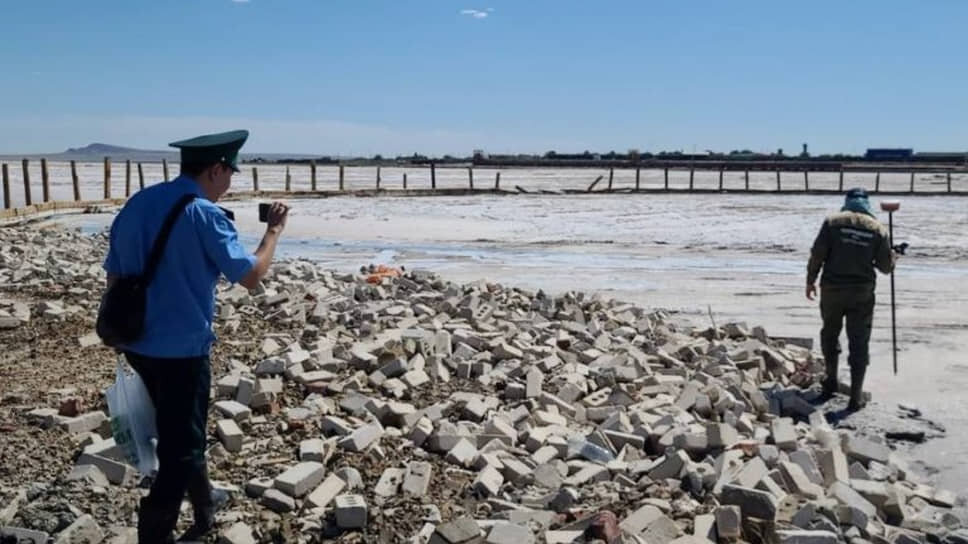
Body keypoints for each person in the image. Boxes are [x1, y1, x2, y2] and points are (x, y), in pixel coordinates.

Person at [102, 129, 290, 543]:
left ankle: (205, 504)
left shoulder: (138, 203)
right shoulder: (204, 214)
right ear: (216, 168)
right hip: (181, 349)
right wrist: (274, 231)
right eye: (229, 174)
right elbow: (250, 275)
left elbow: (114, 274)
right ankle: (155, 532)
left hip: (134, 339)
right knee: (181, 445)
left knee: (181, 429)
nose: (229, 184)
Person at [806, 188, 897, 411]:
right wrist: (893, 256)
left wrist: (810, 280)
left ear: (847, 201)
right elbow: (885, 268)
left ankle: (830, 382)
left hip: (832, 289)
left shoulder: (832, 222)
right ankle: (855, 398)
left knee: (830, 333)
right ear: (867, 204)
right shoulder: (878, 229)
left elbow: (818, 254)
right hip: (861, 293)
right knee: (859, 341)